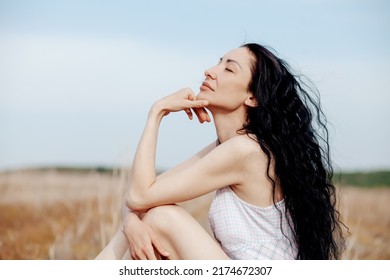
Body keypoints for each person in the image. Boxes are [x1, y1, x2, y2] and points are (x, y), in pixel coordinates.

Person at [95, 43, 345, 260]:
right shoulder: (228, 147)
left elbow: (139, 196)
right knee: (145, 222)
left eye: (228, 68)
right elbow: (142, 194)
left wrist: (157, 112)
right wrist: (130, 224)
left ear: (252, 97)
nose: (210, 71)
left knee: (160, 219)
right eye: (218, 62)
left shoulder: (245, 151)